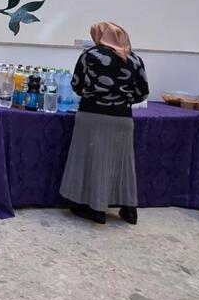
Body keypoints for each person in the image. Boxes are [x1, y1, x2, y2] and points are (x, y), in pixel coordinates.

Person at [59, 21, 149, 225]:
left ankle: (96, 209)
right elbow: (142, 93)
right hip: (123, 118)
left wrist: (95, 95)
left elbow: (76, 84)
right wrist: (121, 100)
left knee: (92, 160)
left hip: (92, 115)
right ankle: (129, 209)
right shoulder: (134, 59)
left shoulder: (90, 56)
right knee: (123, 163)